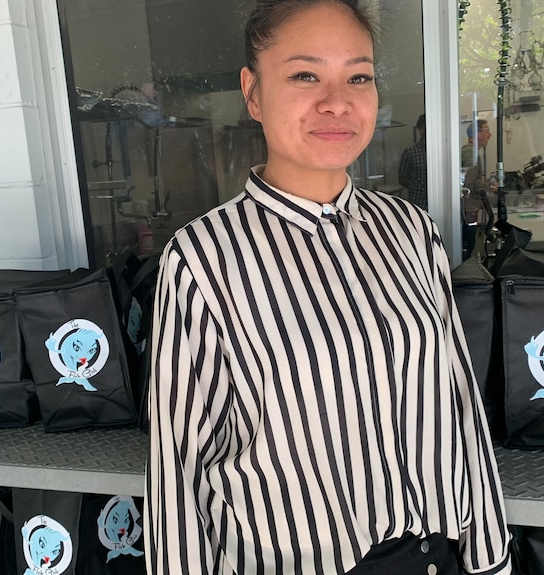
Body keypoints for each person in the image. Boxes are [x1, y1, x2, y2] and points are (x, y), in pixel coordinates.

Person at [144, 1, 512, 574]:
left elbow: (457, 403)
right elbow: (181, 465)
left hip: (435, 557)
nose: (336, 101)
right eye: (305, 74)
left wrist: (488, 554)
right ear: (254, 92)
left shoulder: (411, 232)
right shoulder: (202, 259)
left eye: (357, 76)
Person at [460, 119, 495, 260]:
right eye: (487, 131)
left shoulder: (469, 152)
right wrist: (489, 186)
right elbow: (469, 183)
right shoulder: (471, 154)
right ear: (478, 134)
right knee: (468, 251)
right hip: (468, 211)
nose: (490, 135)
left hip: (467, 211)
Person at [398, 113, 428, 209]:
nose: (427, 131)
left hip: (440, 202)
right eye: (425, 128)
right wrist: (417, 187)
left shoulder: (442, 153)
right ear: (419, 129)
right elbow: (402, 178)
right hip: (418, 203)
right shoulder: (410, 152)